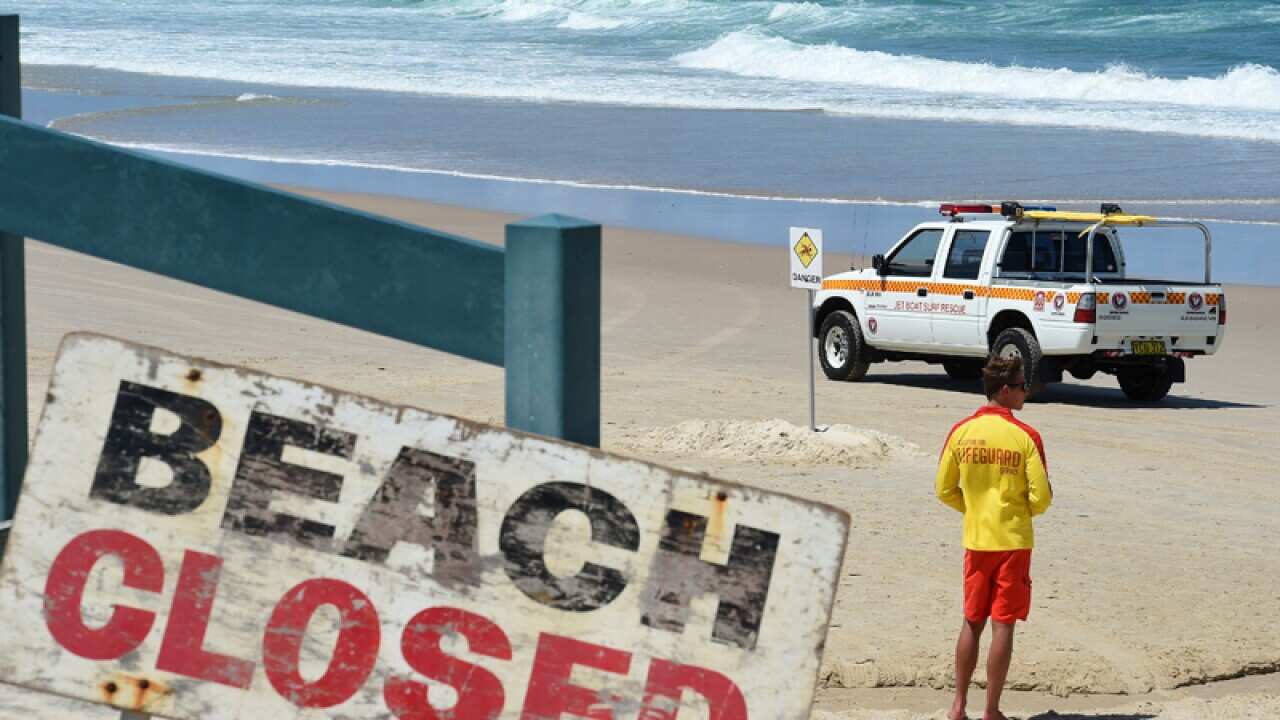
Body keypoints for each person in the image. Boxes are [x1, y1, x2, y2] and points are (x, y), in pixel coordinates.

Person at [936, 355, 1052, 720]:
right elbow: (1042, 497)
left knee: (972, 621)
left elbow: (943, 489)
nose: (1026, 392)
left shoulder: (961, 431)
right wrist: (1018, 512)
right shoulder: (1026, 436)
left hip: (976, 540)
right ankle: (991, 709)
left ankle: (958, 705)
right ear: (1004, 390)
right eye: (1021, 386)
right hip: (1013, 541)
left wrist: (973, 509)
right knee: (1003, 624)